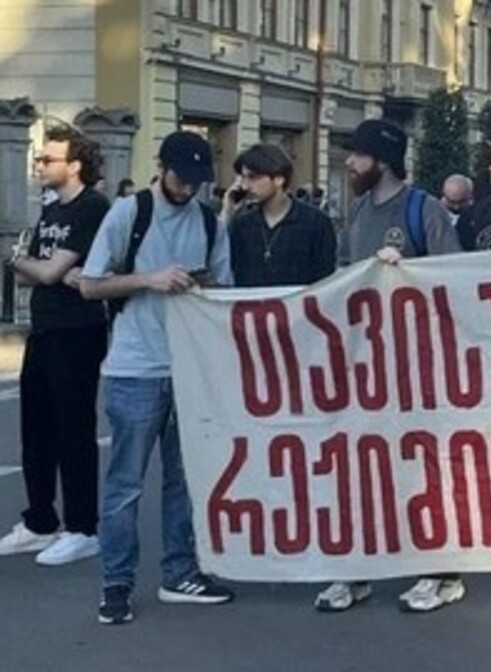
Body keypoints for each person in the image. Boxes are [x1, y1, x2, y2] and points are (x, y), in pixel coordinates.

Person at [79, 131, 235, 625]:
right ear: (162, 168)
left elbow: (225, 289)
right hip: (135, 368)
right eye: (182, 179)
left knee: (184, 481)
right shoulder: (130, 213)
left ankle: (180, 572)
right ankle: (116, 582)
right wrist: (151, 279)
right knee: (125, 484)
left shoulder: (209, 221)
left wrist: (202, 285)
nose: (188, 189)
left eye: (197, 182)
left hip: (189, 367)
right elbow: (89, 285)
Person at [317, 119, 463, 614]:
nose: (349, 163)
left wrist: (407, 271)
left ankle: (441, 572)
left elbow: (455, 278)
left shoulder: (425, 210)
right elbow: (344, 271)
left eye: (357, 155)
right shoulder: (359, 210)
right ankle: (358, 570)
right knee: (364, 465)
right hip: (365, 361)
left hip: (418, 363)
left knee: (423, 466)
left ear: (381, 160)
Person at [0, 126, 111, 566]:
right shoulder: (50, 210)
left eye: (48, 159)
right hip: (44, 327)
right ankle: (40, 521)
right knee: (36, 430)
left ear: (75, 165)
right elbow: (33, 274)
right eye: (40, 158)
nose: (39, 164)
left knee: (73, 431)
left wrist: (34, 266)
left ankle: (83, 527)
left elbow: (44, 272)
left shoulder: (92, 208)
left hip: (78, 330)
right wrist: (38, 267)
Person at [223, 144, 337, 288]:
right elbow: (223, 268)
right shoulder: (241, 225)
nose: (245, 186)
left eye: (253, 177)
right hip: (250, 301)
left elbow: (325, 280)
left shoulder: (316, 222)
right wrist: (227, 213)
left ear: (278, 179)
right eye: (243, 178)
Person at [440, 173, 475, 250]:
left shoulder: (477, 215)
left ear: (470, 196)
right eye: (451, 202)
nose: (456, 207)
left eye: (461, 202)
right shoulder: (436, 215)